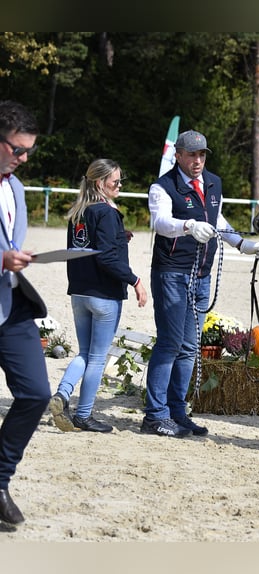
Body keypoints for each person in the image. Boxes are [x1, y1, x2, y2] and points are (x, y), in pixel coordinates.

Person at [144, 129, 259, 438]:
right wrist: (187, 226)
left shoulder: (213, 183)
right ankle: (154, 415)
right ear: (179, 156)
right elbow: (160, 222)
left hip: (201, 274)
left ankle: (177, 411)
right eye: (191, 155)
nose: (197, 161)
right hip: (172, 273)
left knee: (189, 348)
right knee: (170, 343)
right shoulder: (162, 187)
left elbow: (217, 222)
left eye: (201, 155)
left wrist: (241, 244)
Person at [48, 159, 148, 434]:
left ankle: (63, 393)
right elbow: (106, 259)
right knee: (97, 358)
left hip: (79, 292)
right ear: (99, 183)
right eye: (115, 182)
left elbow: (91, 246)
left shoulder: (79, 213)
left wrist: (119, 236)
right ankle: (83, 415)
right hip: (103, 295)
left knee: (85, 353)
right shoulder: (106, 212)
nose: (119, 186)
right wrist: (135, 280)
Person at [0, 100, 49, 525]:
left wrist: (17, 259)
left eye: (27, 150)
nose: (24, 158)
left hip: (11, 306)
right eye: (17, 150)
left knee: (36, 393)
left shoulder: (15, 188)